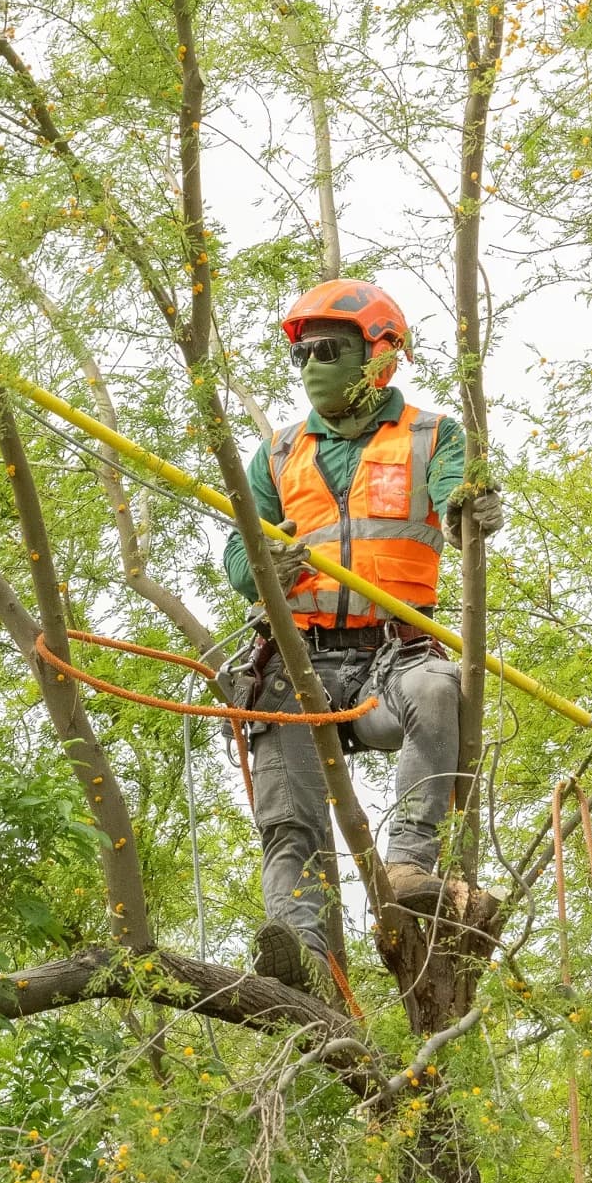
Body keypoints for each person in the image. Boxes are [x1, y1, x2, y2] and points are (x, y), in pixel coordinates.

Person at [224, 279, 504, 989]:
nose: (314, 364)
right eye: (303, 355)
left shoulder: (433, 435)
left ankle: (409, 863)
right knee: (291, 823)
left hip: (392, 658)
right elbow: (236, 556)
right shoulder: (277, 453)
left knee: (441, 689)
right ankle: (305, 961)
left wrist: (471, 508)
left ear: (381, 357)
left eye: (331, 350)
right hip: (296, 664)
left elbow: (454, 503)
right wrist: (264, 566)